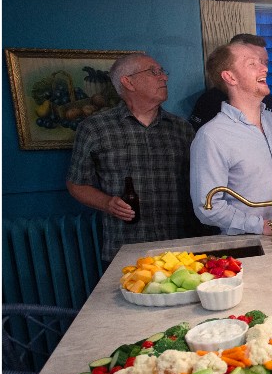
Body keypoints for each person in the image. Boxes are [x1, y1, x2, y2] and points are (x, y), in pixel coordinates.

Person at [67, 52, 195, 266]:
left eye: (162, 72)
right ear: (128, 82)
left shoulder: (182, 128)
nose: (164, 77)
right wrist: (107, 203)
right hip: (126, 248)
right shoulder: (95, 128)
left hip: (180, 247)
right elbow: (76, 184)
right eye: (154, 72)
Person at [190, 41, 272, 235]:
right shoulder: (211, 135)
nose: (264, 68)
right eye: (252, 64)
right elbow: (207, 207)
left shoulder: (270, 119)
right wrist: (259, 225)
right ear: (230, 77)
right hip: (246, 244)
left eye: (262, 63)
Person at [188, 34, 272, 131]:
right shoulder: (209, 103)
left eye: (265, 62)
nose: (264, 68)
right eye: (252, 63)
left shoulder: (271, 105)